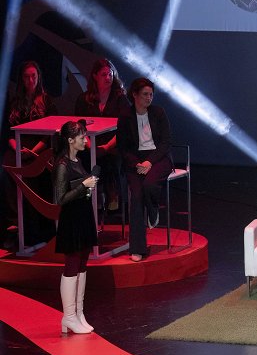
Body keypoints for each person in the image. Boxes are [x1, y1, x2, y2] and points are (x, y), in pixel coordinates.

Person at [117, 77, 173, 262]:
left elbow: (166, 143)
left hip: (158, 158)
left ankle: (153, 210)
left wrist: (149, 162)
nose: (149, 98)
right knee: (136, 196)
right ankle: (137, 248)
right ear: (134, 95)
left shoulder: (159, 112)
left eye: (151, 94)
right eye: (145, 94)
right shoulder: (125, 116)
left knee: (149, 184)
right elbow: (123, 147)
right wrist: (137, 164)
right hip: (136, 161)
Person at [2, 61, 58, 244]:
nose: (30, 80)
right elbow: (9, 132)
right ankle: (15, 223)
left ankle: (38, 230)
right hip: (18, 147)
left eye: (33, 76)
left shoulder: (46, 101)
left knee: (34, 174)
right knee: (6, 169)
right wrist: (17, 148)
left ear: (38, 77)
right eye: (27, 77)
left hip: (39, 148)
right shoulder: (15, 102)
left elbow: (50, 134)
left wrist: (32, 151)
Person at [53, 119, 99, 334]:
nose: (85, 140)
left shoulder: (77, 160)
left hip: (83, 216)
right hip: (71, 221)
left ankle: (79, 313)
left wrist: (87, 186)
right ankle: (69, 316)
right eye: (82, 137)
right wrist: (83, 186)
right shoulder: (62, 165)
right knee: (72, 265)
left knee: (82, 264)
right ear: (70, 140)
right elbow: (60, 198)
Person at [74, 58, 131, 211]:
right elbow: (79, 127)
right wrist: (91, 146)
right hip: (89, 144)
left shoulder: (120, 98)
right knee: (84, 158)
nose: (107, 78)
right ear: (95, 76)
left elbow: (125, 128)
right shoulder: (84, 99)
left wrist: (106, 147)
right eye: (103, 74)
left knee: (109, 158)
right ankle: (93, 197)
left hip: (113, 144)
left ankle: (109, 194)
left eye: (110, 74)